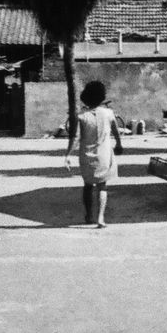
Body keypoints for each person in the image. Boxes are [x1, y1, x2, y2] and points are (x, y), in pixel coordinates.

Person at [63, 80, 121, 228]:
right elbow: (116, 131)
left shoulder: (81, 116)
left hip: (86, 155)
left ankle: (89, 215)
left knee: (88, 186)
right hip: (104, 155)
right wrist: (119, 144)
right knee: (102, 186)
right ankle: (101, 218)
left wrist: (68, 154)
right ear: (102, 97)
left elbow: (76, 137)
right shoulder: (108, 113)